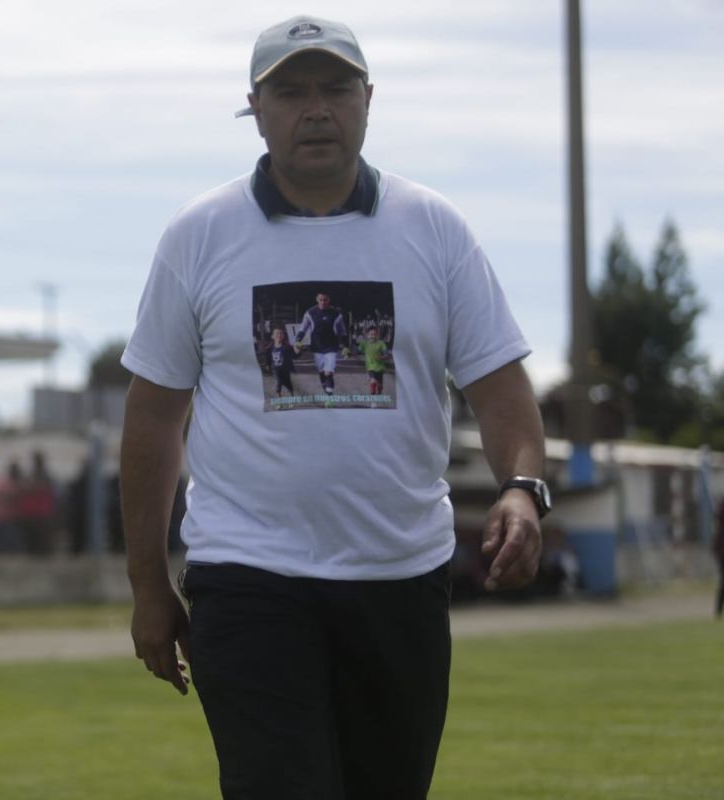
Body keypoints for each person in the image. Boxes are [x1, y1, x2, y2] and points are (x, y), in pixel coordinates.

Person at [119, 17, 549, 800]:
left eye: (336, 88)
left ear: (368, 100)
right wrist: (150, 584)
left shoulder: (435, 229)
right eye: (290, 91)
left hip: (401, 575)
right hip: (248, 577)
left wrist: (523, 487)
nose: (315, 108)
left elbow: (500, 389)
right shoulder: (200, 235)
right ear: (256, 106)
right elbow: (152, 418)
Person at [293, 292, 348, 395]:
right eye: (321, 300)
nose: (323, 302)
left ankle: (329, 396)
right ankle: (326, 388)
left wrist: (345, 346)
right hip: (317, 346)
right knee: (322, 371)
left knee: (329, 372)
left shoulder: (336, 314)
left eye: (325, 300)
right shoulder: (310, 313)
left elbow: (342, 331)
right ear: (317, 300)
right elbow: (303, 328)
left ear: (329, 300)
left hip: (331, 346)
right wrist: (297, 340)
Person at [355, 324, 391, 396]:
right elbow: (357, 351)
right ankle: (373, 399)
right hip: (370, 367)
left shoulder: (381, 343)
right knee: (373, 382)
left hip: (379, 368)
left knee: (379, 385)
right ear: (367, 335)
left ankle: (379, 389)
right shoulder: (364, 343)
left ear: (377, 335)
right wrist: (350, 353)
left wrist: (381, 357)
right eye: (371, 334)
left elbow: (387, 354)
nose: (373, 336)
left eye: (374, 334)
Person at [265, 327, 296, 397]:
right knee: (278, 382)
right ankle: (279, 399)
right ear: (272, 336)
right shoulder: (270, 348)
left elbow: (294, 356)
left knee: (288, 383)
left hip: (285, 369)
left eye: (281, 333)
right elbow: (268, 357)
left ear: (284, 336)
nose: (279, 335)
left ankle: (291, 397)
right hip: (276, 370)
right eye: (277, 333)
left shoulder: (287, 347)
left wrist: (298, 350)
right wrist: (268, 364)